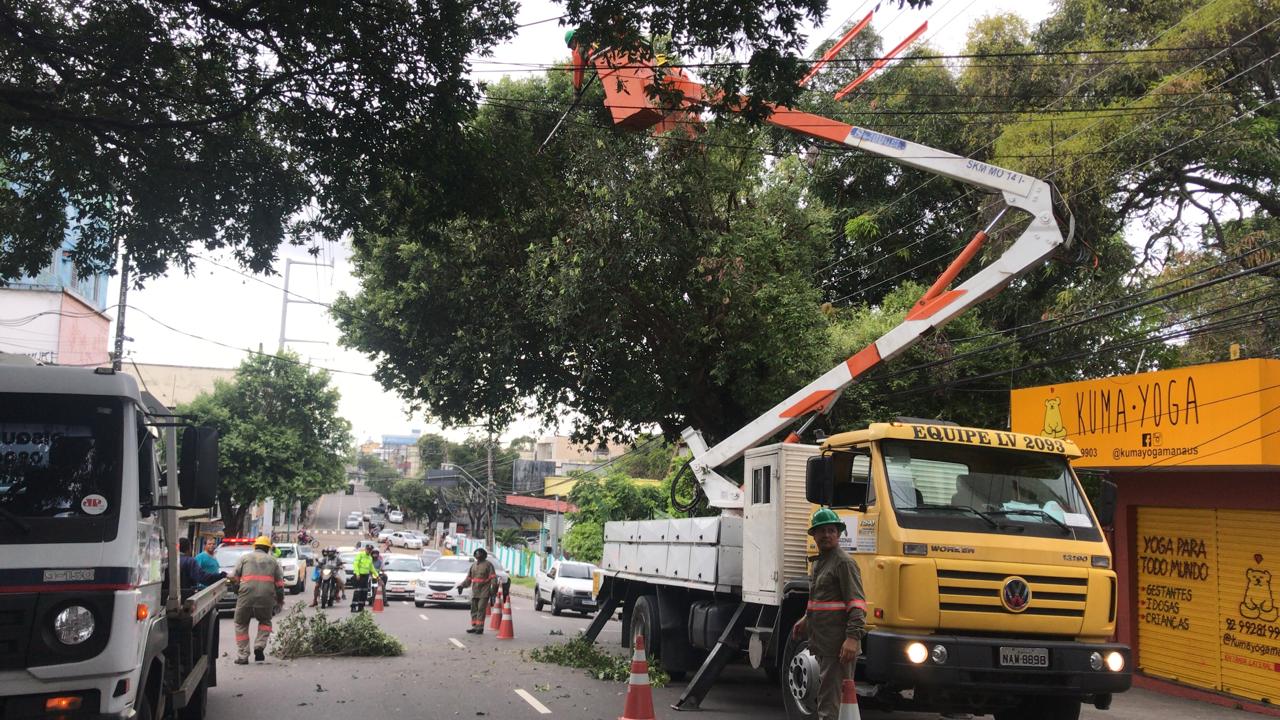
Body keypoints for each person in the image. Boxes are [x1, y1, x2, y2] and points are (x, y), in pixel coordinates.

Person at [790, 508, 866, 720]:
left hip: (838, 645)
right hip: (824, 642)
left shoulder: (844, 563)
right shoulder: (820, 562)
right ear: (813, 535)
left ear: (839, 534)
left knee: (831, 701)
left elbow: (857, 604)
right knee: (828, 696)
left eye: (831, 530)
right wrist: (806, 619)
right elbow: (821, 600)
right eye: (821, 531)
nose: (826, 535)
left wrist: (852, 638)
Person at [229, 535, 284, 665]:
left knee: (241, 623)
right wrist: (280, 600)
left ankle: (243, 656)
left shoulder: (244, 558)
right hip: (266, 597)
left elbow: (233, 578)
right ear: (268, 548)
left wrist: (237, 590)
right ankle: (259, 646)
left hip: (246, 595)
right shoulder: (273, 561)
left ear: (255, 547)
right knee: (265, 621)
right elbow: (280, 584)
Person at [456, 548, 497, 634]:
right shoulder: (473, 565)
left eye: (479, 554)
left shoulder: (488, 565)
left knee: (481, 610)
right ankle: (474, 626)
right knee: (473, 610)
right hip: (475, 592)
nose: (478, 555)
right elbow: (468, 579)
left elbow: (494, 579)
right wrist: (461, 586)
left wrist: (493, 592)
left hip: (484, 592)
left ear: (484, 555)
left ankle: (480, 628)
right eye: (476, 554)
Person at [350, 543, 379, 612]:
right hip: (359, 576)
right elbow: (355, 564)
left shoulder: (370, 558)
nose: (368, 551)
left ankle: (361, 607)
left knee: (364, 592)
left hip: (365, 576)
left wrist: (377, 576)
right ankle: (353, 607)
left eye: (370, 550)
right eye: (368, 549)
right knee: (357, 592)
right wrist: (357, 574)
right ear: (365, 549)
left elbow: (372, 568)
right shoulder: (360, 555)